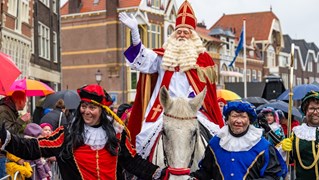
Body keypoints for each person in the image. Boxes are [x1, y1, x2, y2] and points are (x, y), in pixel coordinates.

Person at [119, 0, 222, 156]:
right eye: (178, 32)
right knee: (145, 138)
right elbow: (142, 59)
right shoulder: (163, 57)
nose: (181, 35)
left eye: (185, 32)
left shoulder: (203, 59)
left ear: (192, 35)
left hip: (193, 110)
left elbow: (207, 93)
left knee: (214, 140)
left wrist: (192, 100)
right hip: (164, 110)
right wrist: (135, 33)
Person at [0, 84, 165, 180]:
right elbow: (33, 147)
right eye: (84, 106)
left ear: (102, 110)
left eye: (92, 107)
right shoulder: (68, 134)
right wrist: (6, 137)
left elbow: (133, 162)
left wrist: (162, 174)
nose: (86, 111)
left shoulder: (117, 135)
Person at [189, 101, 287, 179]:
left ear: (249, 120)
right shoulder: (215, 144)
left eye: (243, 117)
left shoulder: (263, 146)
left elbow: (272, 175)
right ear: (227, 119)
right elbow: (206, 172)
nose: (238, 121)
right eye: (235, 116)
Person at [282, 90, 319, 179]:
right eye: (311, 108)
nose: (315, 112)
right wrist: (284, 150)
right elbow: (287, 159)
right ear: (305, 111)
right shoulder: (297, 133)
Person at [0, 91, 30, 178]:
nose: (26, 104)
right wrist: (21, 121)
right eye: (25, 101)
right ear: (20, 101)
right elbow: (7, 133)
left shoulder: (9, 109)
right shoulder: (4, 110)